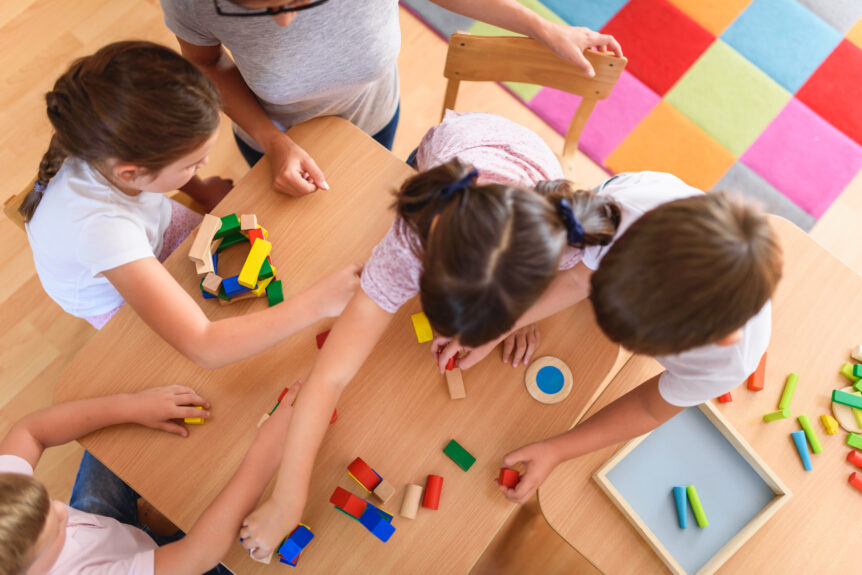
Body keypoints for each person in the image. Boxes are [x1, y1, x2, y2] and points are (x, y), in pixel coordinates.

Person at [237, 111, 625, 558]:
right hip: (453, 154)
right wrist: (288, 500)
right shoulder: (407, 244)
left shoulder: (565, 242)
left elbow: (569, 284)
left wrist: (520, 321)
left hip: (534, 189)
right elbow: (328, 377)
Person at [22, 41, 359, 367]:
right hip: (112, 295)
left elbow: (155, 174)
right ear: (131, 172)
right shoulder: (101, 229)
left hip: (147, 230)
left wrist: (200, 191)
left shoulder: (102, 136)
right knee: (190, 355)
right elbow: (205, 346)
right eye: (193, 163)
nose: (207, 163)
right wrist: (317, 303)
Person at [160, 0, 623, 196]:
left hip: (375, 111)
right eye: (257, 8)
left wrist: (544, 28)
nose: (283, 22)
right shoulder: (192, 3)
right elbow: (203, 63)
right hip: (272, 134)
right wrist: (271, 139)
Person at [494, 189, 783, 503]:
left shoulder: (729, 363)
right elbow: (576, 276)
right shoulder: (626, 206)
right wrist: (507, 317)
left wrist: (557, 450)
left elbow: (649, 408)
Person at [0, 383, 301, 574]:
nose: (60, 509)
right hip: (165, 564)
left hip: (110, 534)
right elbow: (197, 555)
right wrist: (267, 451)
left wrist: (131, 405)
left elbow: (30, 431)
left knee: (109, 444)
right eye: (51, 527)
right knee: (240, 556)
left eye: (47, 500)